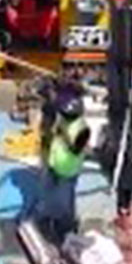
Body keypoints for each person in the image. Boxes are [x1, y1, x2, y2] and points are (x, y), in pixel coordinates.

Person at [37, 94, 90, 243]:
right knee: (48, 194)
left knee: (65, 202)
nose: (64, 117)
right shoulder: (62, 121)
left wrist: (63, 134)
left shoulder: (83, 129)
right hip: (54, 164)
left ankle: (65, 229)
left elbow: (76, 149)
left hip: (68, 171)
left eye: (67, 116)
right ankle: (47, 221)